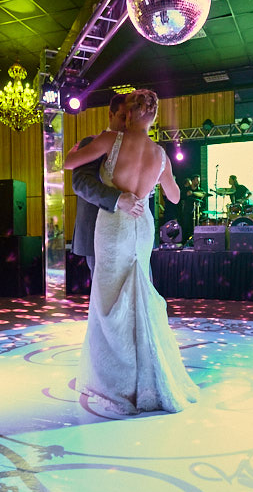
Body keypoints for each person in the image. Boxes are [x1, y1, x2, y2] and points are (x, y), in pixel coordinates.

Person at [64, 89, 199, 414]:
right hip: (143, 224)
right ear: (152, 117)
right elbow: (177, 197)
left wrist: (73, 151)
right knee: (141, 296)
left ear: (129, 115)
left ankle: (118, 383)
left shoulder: (111, 140)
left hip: (114, 225)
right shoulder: (161, 154)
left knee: (109, 303)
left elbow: (70, 164)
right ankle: (150, 375)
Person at [70, 93, 143, 275]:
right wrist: (119, 199)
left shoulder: (138, 149)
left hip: (130, 233)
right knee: (107, 298)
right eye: (122, 117)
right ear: (110, 115)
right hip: (98, 233)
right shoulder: (92, 143)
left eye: (131, 119)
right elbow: (80, 182)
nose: (127, 124)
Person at [178, 174, 204, 245]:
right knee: (186, 228)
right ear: (192, 181)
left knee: (197, 229)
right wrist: (186, 194)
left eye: (199, 181)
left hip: (197, 213)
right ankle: (185, 244)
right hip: (187, 212)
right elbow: (180, 198)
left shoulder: (201, 191)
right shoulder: (186, 190)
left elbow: (203, 202)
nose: (198, 182)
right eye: (197, 181)